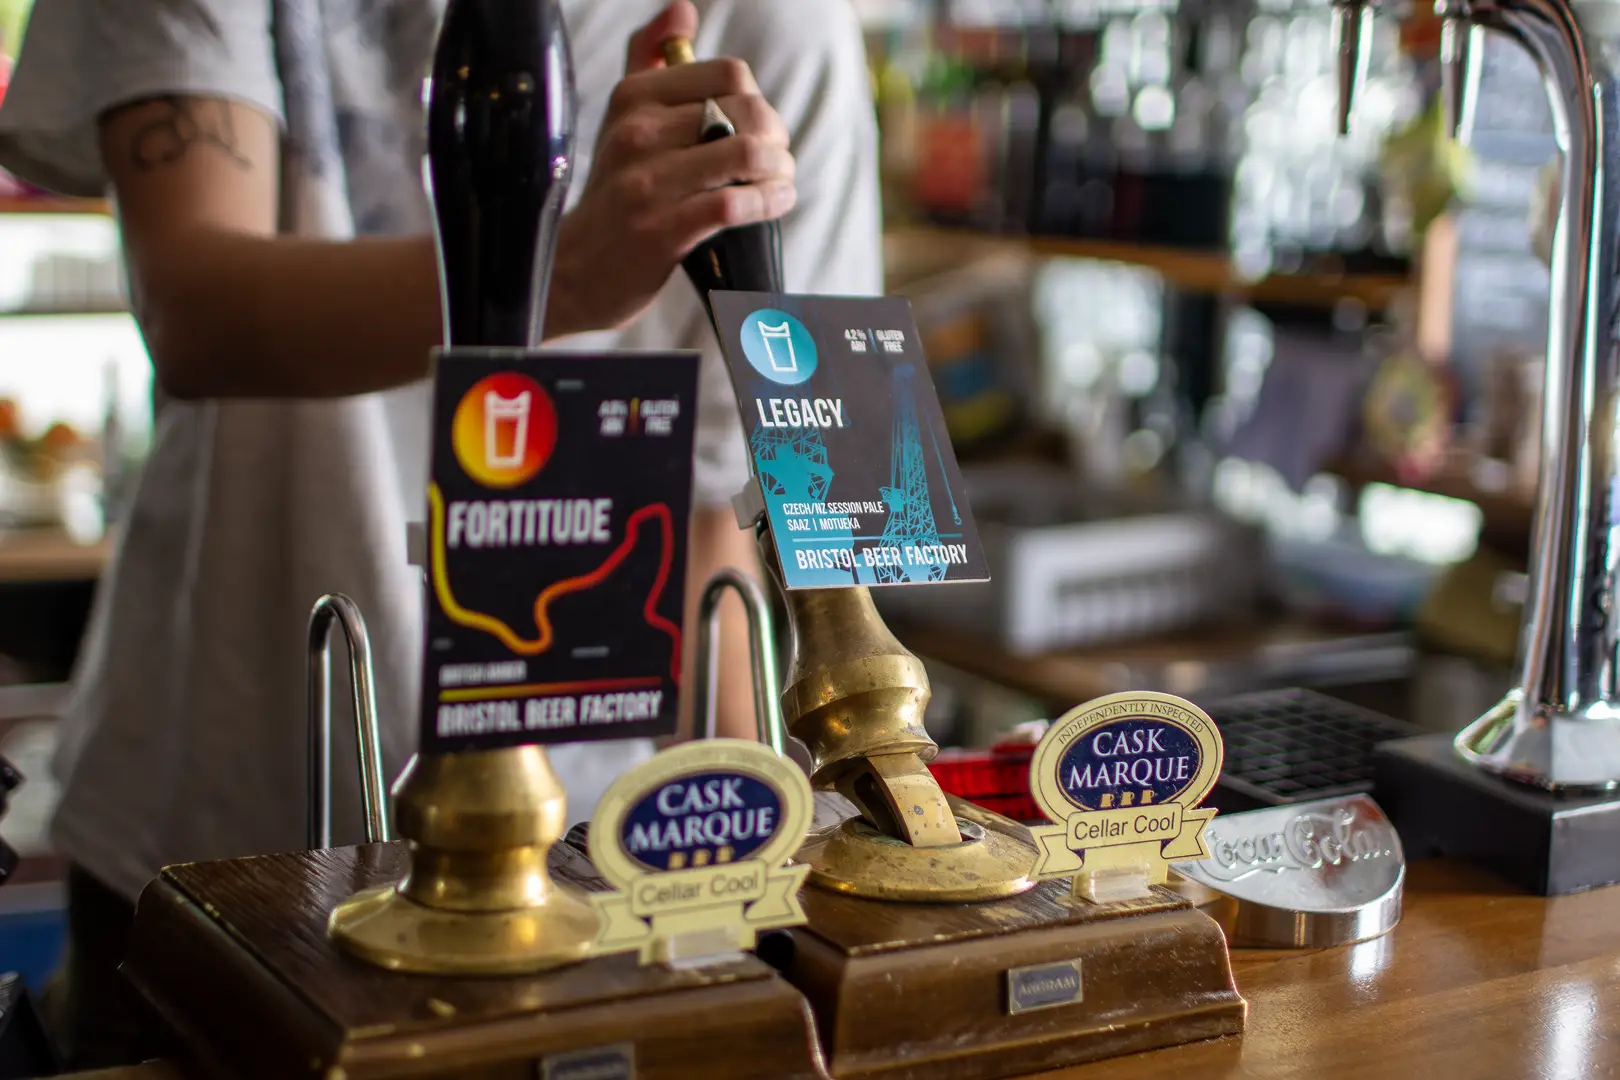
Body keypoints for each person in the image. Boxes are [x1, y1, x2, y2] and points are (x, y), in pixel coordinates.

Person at [0, 0, 880, 1067]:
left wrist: (764, 887)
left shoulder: (783, 29)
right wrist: (565, 274)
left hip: (590, 860)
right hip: (208, 825)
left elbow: (719, 511)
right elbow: (193, 308)